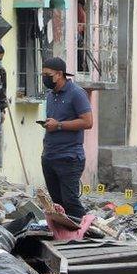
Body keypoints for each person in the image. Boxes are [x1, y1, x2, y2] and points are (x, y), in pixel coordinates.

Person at [40, 57, 93, 219]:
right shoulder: (50, 95)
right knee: (57, 203)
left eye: (47, 74)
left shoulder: (76, 93)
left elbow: (88, 122)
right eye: (42, 74)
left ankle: (86, 231)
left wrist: (59, 125)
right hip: (50, 156)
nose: (44, 78)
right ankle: (67, 237)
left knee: (70, 201)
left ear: (59, 74)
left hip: (69, 157)